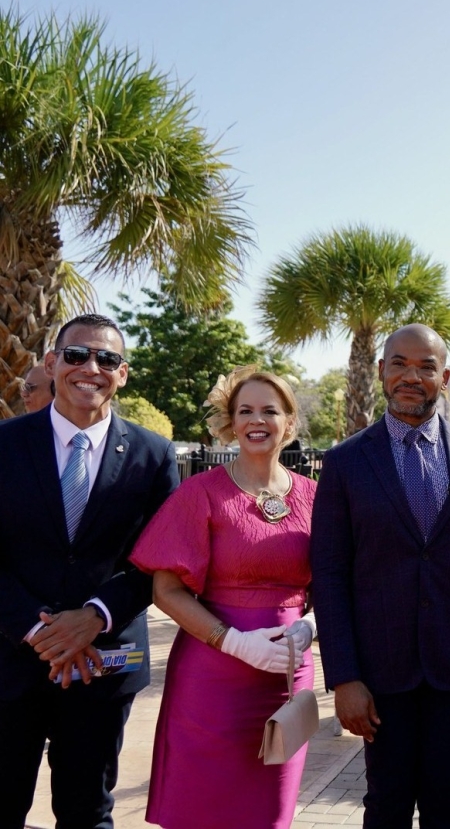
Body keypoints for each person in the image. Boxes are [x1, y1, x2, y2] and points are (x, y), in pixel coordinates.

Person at [310, 324, 450, 829]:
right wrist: (344, 677)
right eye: (400, 363)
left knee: (447, 799)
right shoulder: (343, 463)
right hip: (379, 674)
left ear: (444, 378)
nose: (411, 376)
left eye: (426, 367)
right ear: (381, 371)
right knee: (386, 802)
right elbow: (330, 575)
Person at [0, 313, 178, 829]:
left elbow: (159, 560)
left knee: (87, 812)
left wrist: (95, 617)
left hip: (103, 665)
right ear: (53, 363)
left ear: (123, 374)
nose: (90, 368)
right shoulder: (6, 444)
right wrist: (40, 631)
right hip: (10, 660)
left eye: (107, 359)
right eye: (76, 355)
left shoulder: (154, 454)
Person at [129, 367, 317, 828]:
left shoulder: (317, 497)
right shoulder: (200, 493)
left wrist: (313, 626)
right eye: (245, 410)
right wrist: (233, 641)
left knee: (270, 812)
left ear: (289, 423)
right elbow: (165, 589)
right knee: (201, 810)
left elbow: (336, 581)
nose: (258, 420)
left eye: (270, 410)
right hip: (212, 677)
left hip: (286, 677)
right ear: (231, 423)